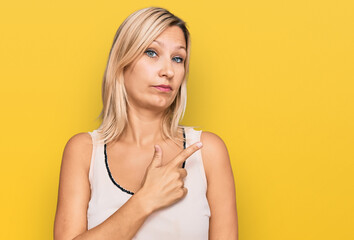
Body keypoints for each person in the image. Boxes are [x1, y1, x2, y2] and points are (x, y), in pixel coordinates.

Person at [54, 6, 238, 240]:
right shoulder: (84, 152)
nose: (168, 71)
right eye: (152, 53)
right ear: (123, 62)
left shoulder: (207, 152)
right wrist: (146, 199)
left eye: (178, 58)